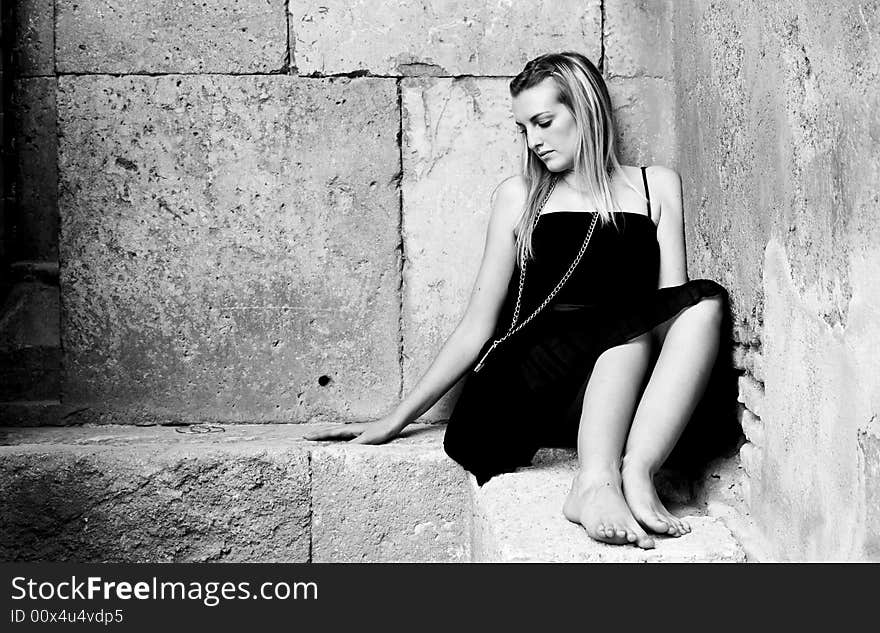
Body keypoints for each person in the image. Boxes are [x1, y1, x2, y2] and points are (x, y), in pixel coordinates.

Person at [305, 51, 730, 550]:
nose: (534, 140)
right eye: (524, 128)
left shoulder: (654, 185)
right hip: (528, 379)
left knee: (700, 303)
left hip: (621, 380)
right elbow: (476, 327)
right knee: (625, 333)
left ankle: (636, 469)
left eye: (544, 122)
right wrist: (395, 419)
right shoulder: (520, 195)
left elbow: (667, 312)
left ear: (586, 110)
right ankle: (594, 484)